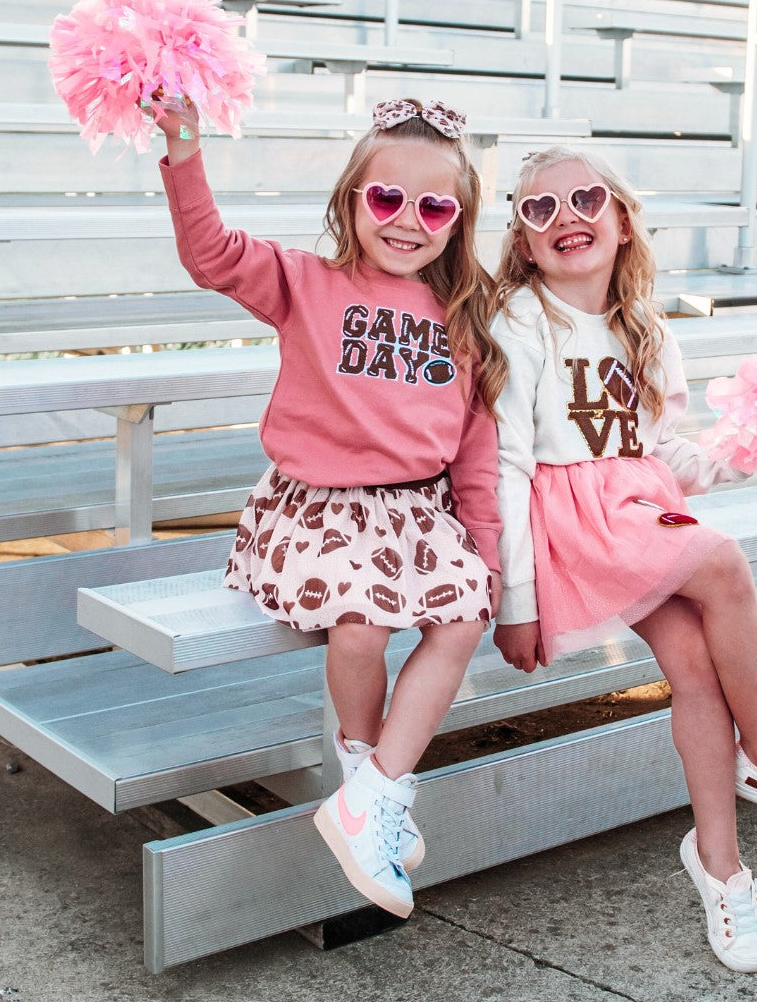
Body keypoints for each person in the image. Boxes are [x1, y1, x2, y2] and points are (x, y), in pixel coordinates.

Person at [489, 146, 757, 974]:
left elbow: (666, 456)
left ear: (623, 221)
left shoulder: (646, 331)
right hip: (568, 519)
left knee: (697, 665)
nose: (567, 218)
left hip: (634, 506)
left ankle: (721, 870)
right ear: (523, 242)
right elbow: (508, 460)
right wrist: (515, 597)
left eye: (587, 199)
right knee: (723, 560)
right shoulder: (520, 320)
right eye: (541, 209)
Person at [153, 97, 504, 920]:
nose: (407, 220)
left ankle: (375, 792)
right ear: (352, 200)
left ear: (458, 222)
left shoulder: (466, 318)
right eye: (387, 197)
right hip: (317, 509)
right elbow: (209, 253)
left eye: (434, 206)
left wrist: (485, 551)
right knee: (363, 626)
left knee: (464, 618)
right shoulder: (305, 282)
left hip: (419, 514)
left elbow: (476, 451)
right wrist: (184, 148)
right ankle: (366, 780)